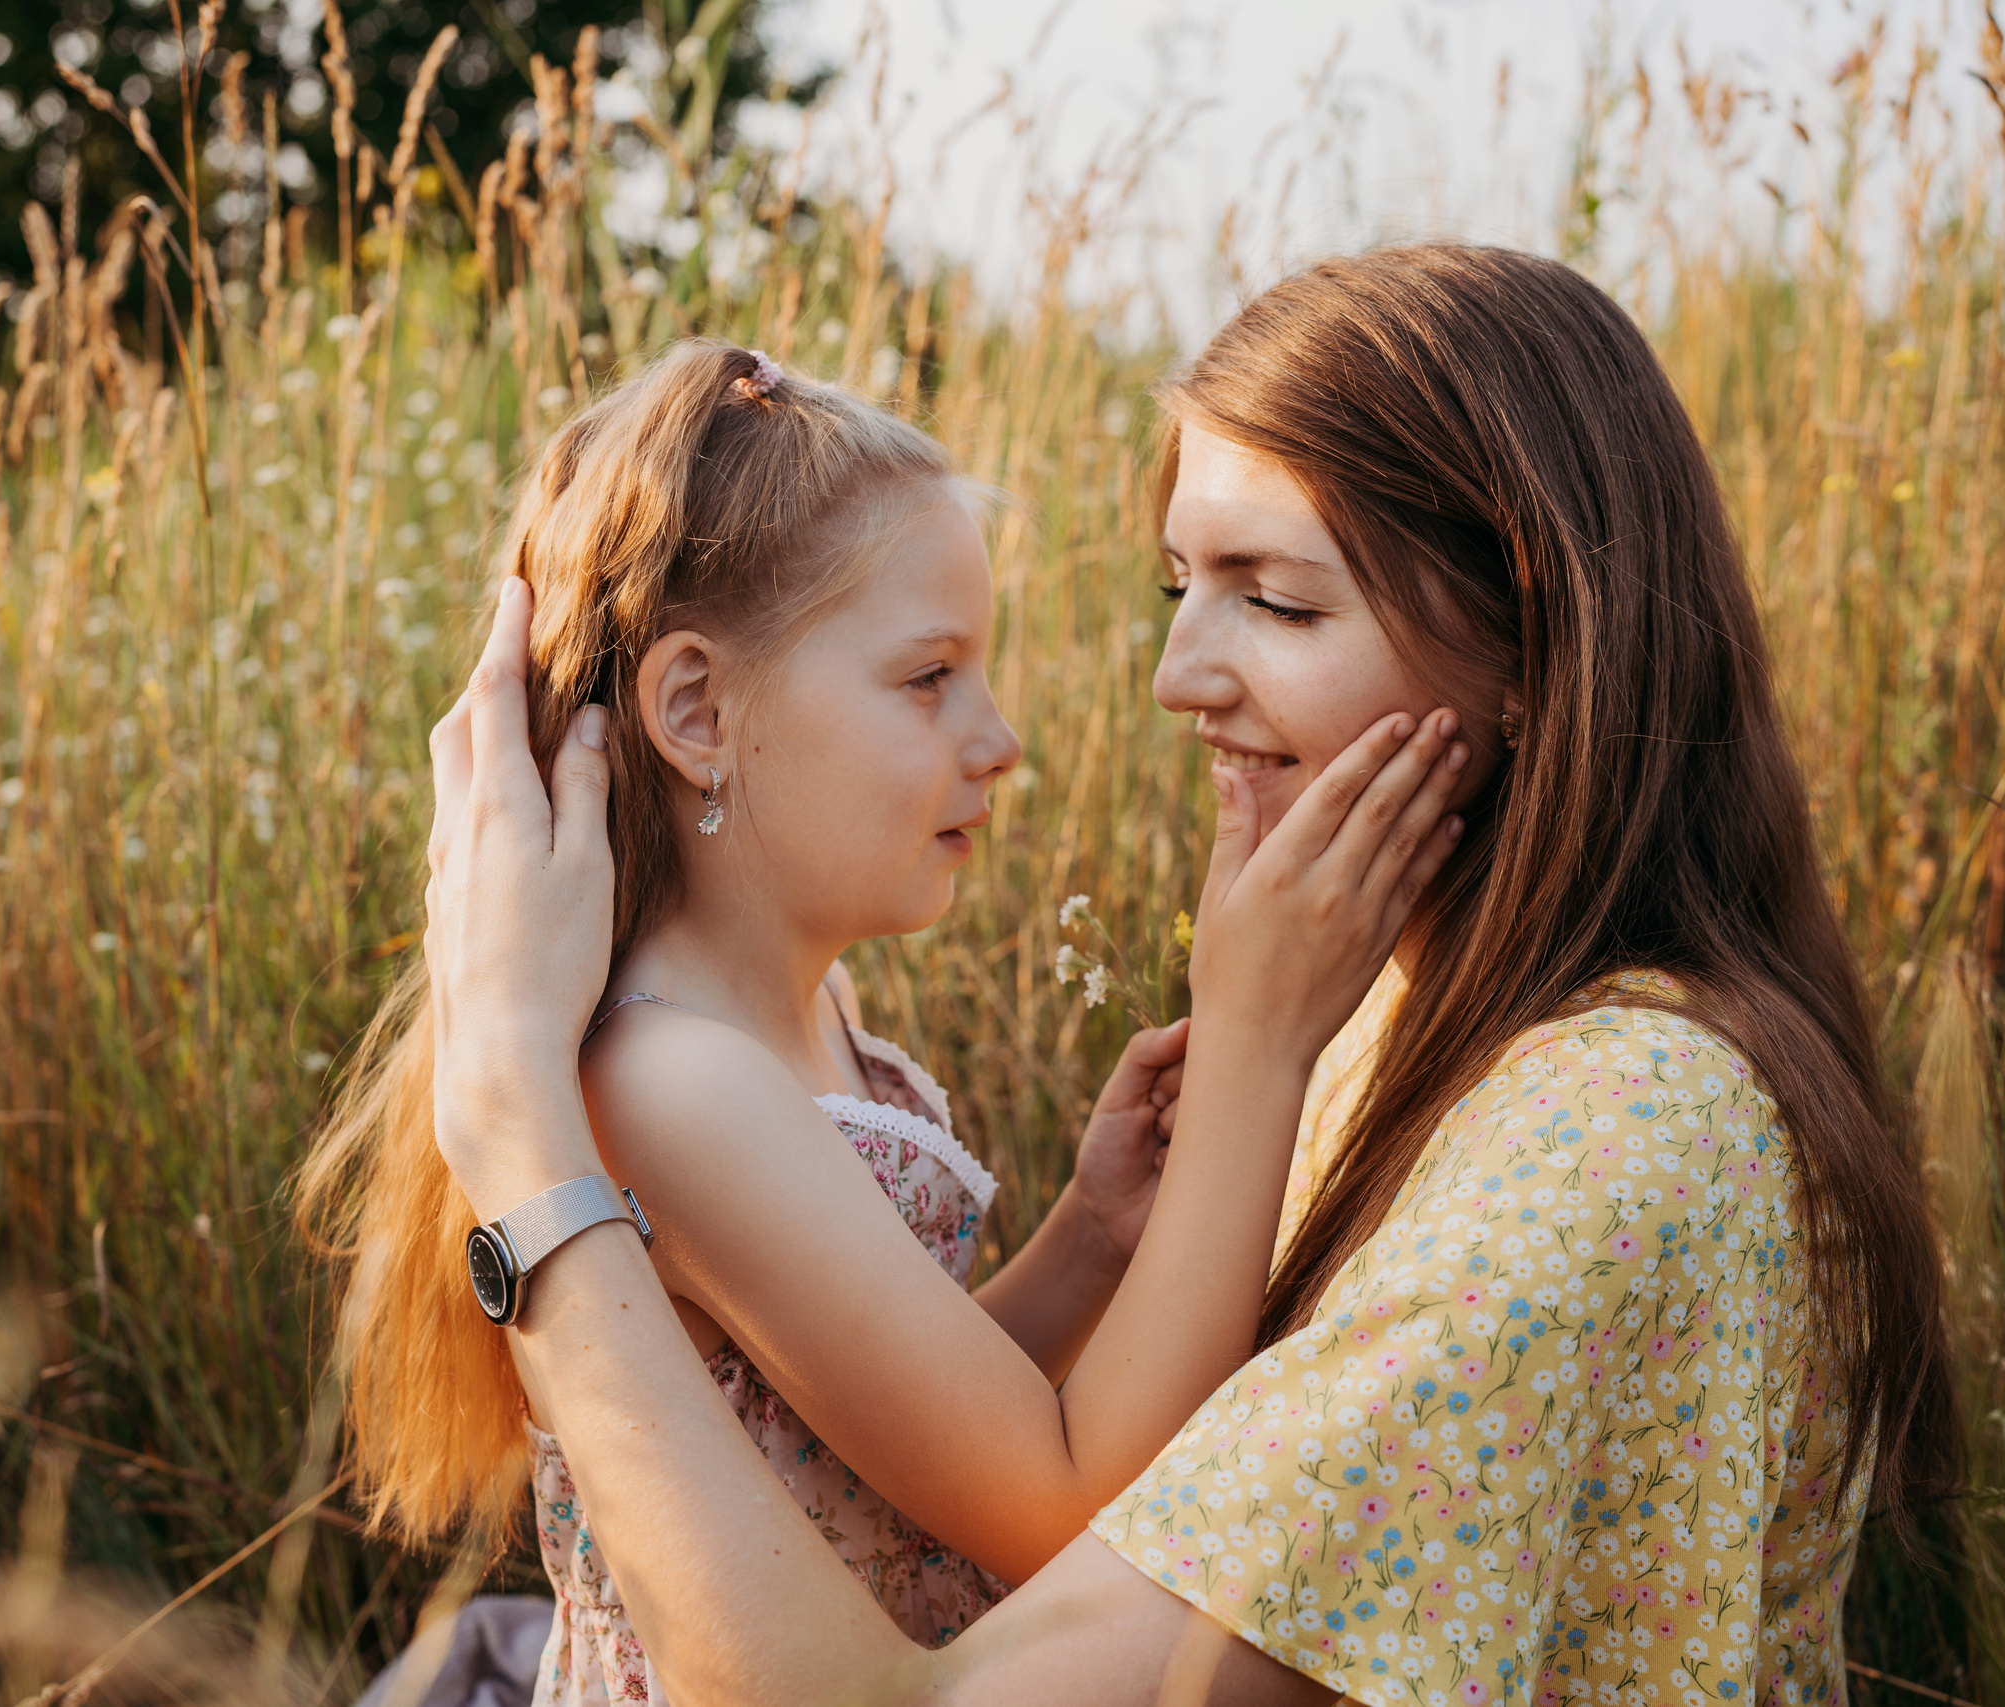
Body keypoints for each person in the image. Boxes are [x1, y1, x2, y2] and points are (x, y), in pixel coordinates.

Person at [415, 246, 1960, 1705]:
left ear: (1538, 643)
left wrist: (517, 1135)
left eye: (1280, 601)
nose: (1173, 680)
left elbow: (1026, 1517)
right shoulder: (1418, 1032)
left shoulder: (1596, 1149)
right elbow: (1015, 1477)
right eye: (1182, 591)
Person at [297, 341, 1472, 1702]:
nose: (1000, 739)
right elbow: (1061, 1494)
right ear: (697, 710)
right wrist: (1256, 1047)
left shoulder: (805, 1016)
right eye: (928, 680)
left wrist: (1085, 1245)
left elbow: (896, 1428)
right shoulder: (680, 1083)